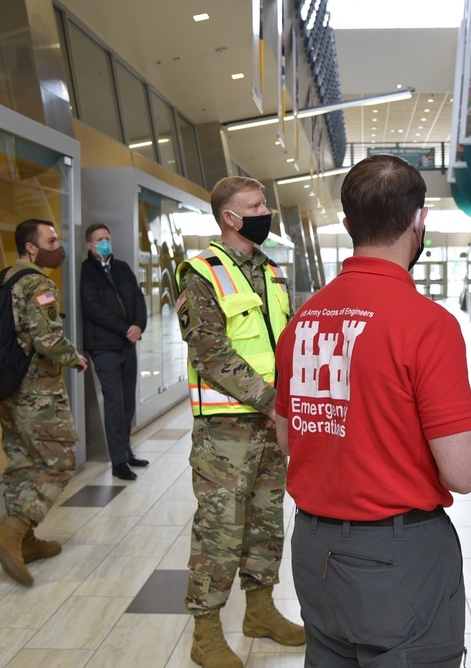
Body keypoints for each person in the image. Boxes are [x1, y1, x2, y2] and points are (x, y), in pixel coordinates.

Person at [274, 154, 471, 667]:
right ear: (420, 220)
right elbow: (462, 471)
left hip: (312, 549)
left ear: (348, 225)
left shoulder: (304, 318)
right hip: (397, 558)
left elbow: (289, 438)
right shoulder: (426, 324)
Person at [176, 176, 304, 668]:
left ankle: (260, 610)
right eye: (254, 205)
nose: (264, 211)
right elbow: (210, 352)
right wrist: (271, 400)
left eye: (264, 203)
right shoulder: (200, 272)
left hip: (270, 422)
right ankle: (205, 632)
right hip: (225, 431)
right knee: (220, 528)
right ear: (230, 217)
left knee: (267, 522)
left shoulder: (270, 271)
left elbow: (282, 342)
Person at [0, 219, 88, 587]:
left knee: (21, 461)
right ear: (31, 248)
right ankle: (11, 532)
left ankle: (24, 544)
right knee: (61, 460)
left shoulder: (5, 278)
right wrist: (74, 356)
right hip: (36, 390)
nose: (58, 247)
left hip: (7, 385)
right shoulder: (38, 283)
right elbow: (47, 337)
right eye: (51, 241)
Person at [80, 223, 149, 481]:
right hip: (104, 347)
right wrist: (125, 328)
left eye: (107, 237)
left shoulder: (122, 268)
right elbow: (94, 308)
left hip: (127, 345)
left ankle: (127, 451)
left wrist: (139, 326)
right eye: (99, 239)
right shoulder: (87, 272)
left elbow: (138, 298)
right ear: (90, 245)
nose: (105, 242)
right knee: (114, 404)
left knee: (128, 404)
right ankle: (118, 462)